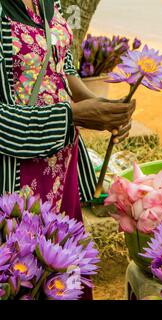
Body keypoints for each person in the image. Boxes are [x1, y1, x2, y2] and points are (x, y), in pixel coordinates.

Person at [0, 0, 136, 298]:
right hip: (15, 177)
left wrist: (99, 108)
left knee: (63, 275)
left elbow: (62, 63)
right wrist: (72, 115)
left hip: (62, 167)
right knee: (21, 276)